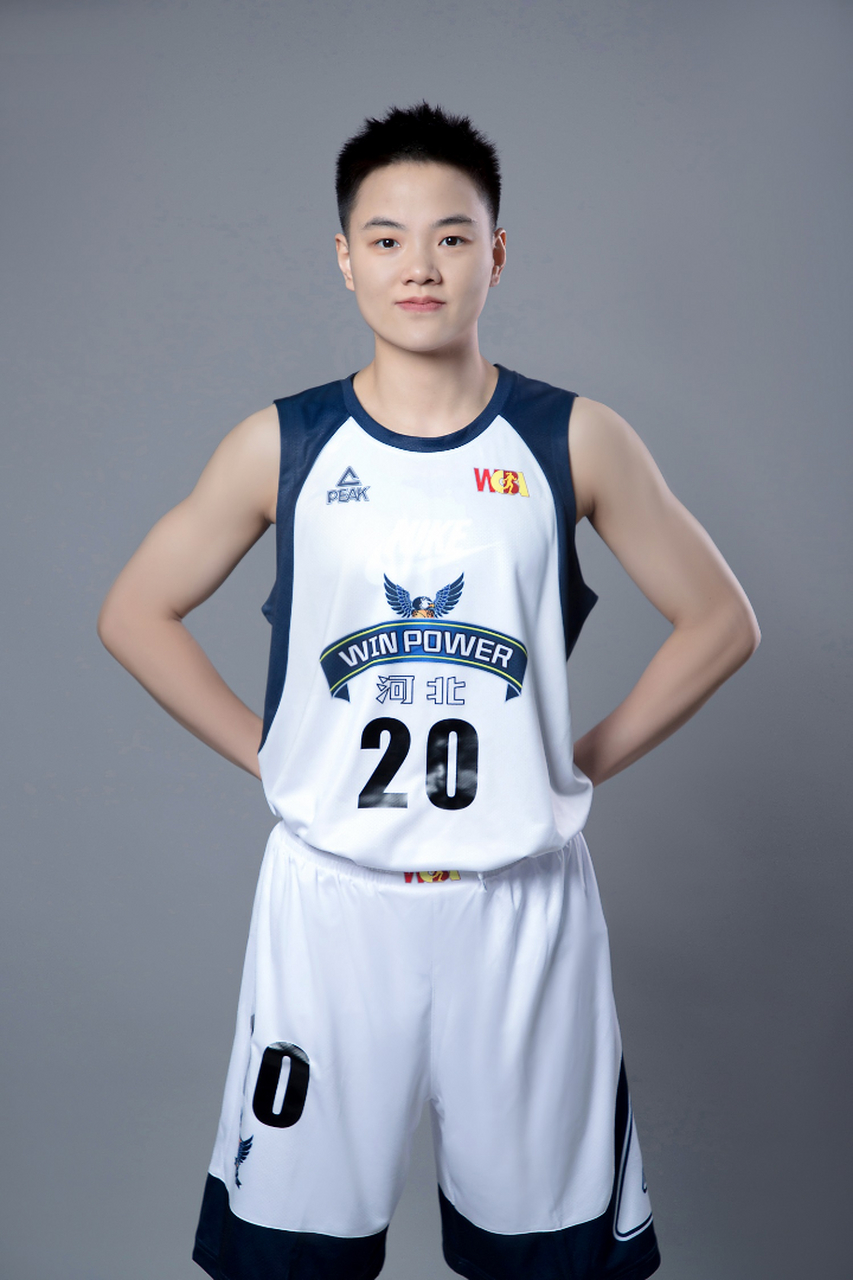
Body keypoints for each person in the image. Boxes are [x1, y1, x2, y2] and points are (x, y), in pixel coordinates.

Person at [98, 102, 760, 1280]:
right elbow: (133, 611)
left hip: (520, 902)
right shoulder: (285, 444)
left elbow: (721, 621)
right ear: (344, 257)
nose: (420, 264)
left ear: (494, 253)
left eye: (452, 236)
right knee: (289, 1257)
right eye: (388, 237)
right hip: (333, 901)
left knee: (547, 1259)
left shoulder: (573, 437)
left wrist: (575, 760)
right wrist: (274, 753)